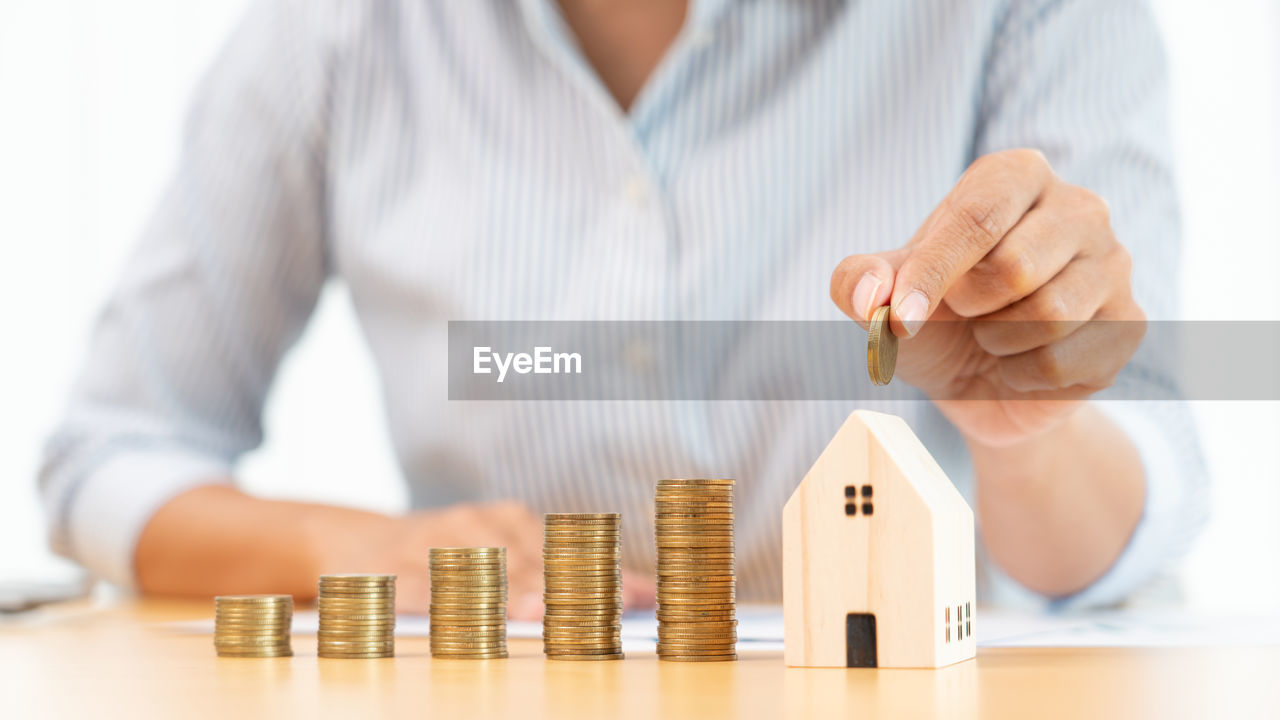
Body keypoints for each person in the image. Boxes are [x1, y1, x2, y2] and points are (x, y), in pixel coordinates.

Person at [40, 0, 1205, 619]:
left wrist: (1030, 432)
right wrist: (351, 550)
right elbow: (114, 453)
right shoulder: (333, 28)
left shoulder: (1034, 12)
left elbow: (1124, 516)